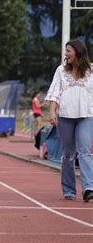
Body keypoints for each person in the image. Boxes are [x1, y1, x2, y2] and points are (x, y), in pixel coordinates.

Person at [45, 39, 92, 202]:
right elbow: (54, 92)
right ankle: (69, 190)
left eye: (69, 50)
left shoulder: (91, 70)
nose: (66, 54)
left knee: (85, 150)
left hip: (86, 116)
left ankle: (89, 187)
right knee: (67, 154)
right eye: (66, 51)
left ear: (78, 52)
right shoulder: (61, 71)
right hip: (65, 117)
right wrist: (52, 112)